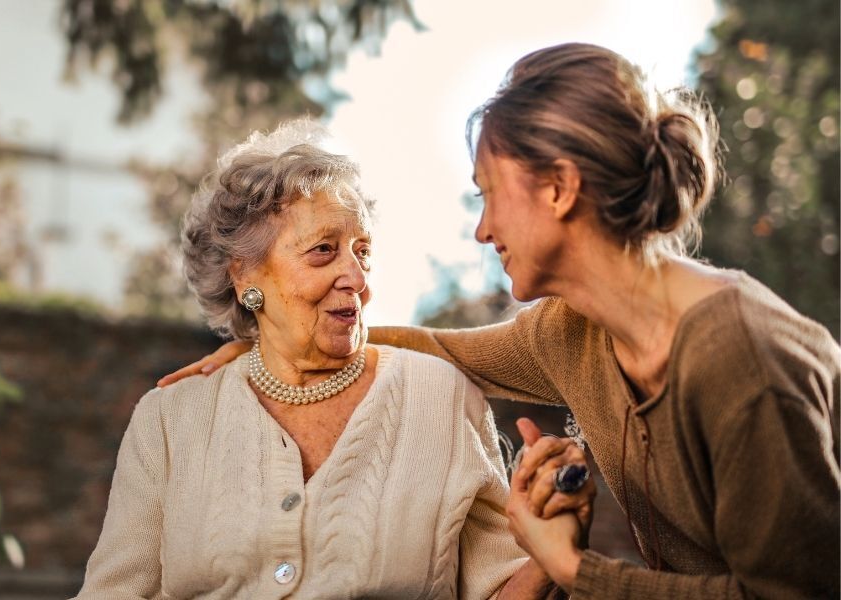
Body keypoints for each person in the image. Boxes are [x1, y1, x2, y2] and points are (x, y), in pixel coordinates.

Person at [159, 44, 841, 599]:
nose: (482, 230)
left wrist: (575, 570)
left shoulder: (741, 359)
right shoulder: (572, 332)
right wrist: (276, 343)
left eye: (488, 195)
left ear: (559, 187)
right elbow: (438, 348)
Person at [74, 119, 595, 599]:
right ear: (244, 275)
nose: (358, 279)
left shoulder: (442, 397)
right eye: (324, 250)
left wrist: (550, 556)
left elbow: (499, 589)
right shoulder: (169, 420)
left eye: (362, 251)